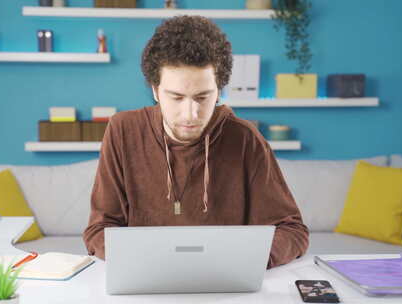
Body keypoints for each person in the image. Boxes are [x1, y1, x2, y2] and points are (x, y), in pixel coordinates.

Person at [83, 15, 308, 269]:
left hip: (225, 281)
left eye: (202, 97)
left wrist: (246, 262)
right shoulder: (122, 130)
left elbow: (292, 230)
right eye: (176, 97)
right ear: (155, 90)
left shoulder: (245, 138)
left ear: (219, 90)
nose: (190, 114)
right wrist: (143, 262)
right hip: (147, 281)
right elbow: (99, 229)